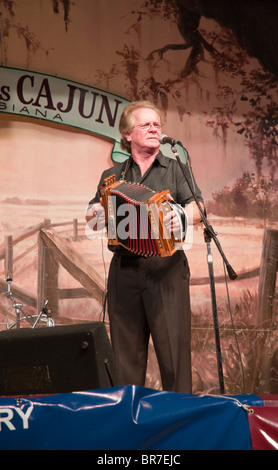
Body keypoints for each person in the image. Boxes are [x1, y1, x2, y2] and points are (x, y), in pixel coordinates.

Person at [86, 100, 204, 393]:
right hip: (125, 270)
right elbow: (91, 216)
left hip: (167, 269)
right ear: (128, 134)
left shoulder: (176, 168)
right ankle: (128, 425)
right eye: (146, 125)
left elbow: (199, 206)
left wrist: (182, 216)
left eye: (157, 125)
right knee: (126, 358)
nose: (154, 129)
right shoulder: (113, 176)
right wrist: (98, 215)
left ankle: (179, 424)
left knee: (174, 357)